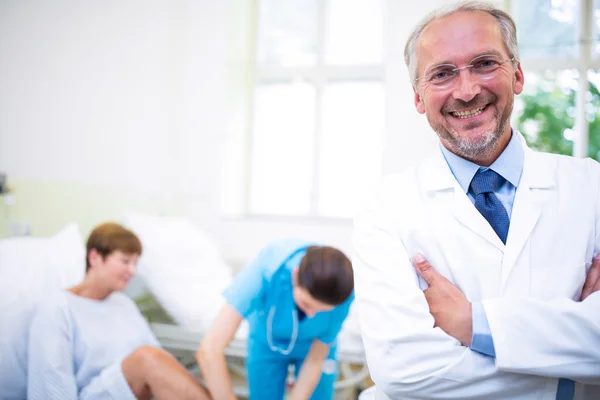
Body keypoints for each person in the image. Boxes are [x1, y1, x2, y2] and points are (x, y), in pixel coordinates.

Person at [351, 1, 600, 399]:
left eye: (484, 64)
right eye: (442, 74)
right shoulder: (385, 208)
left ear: (517, 74)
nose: (466, 91)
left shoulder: (591, 187)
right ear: (418, 98)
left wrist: (472, 323)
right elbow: (402, 369)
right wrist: (567, 366)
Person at [27, 222, 211, 400]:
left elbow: (162, 365)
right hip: (92, 394)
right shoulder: (57, 308)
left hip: (131, 392)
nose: (132, 270)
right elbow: (51, 384)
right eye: (125, 261)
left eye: (135, 263)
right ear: (95, 258)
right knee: (147, 358)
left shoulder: (123, 304)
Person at [196, 239, 354, 400]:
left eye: (322, 310)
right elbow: (210, 349)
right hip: (267, 343)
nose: (312, 315)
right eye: (306, 304)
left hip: (313, 348)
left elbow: (315, 359)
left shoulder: (343, 293)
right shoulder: (266, 269)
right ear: (294, 276)